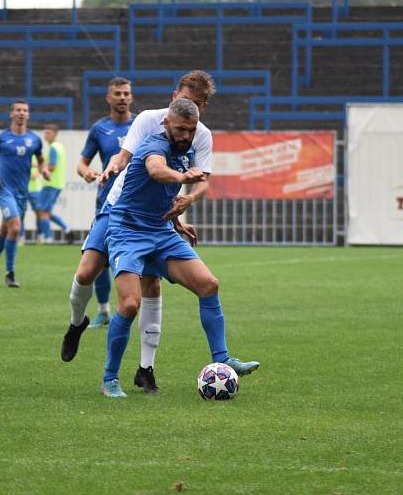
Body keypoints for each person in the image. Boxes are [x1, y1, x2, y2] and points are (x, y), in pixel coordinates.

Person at [61, 70, 216, 394]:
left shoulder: (196, 131)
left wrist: (175, 217)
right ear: (176, 95)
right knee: (87, 272)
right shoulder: (150, 121)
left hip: (154, 219)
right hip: (116, 208)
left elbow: (194, 181)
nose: (193, 106)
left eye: (199, 103)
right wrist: (110, 168)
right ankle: (77, 323)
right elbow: (132, 159)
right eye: (188, 98)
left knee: (152, 285)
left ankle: (145, 369)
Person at [98, 98, 260, 398]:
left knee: (208, 284)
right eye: (180, 129)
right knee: (130, 304)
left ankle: (222, 358)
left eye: (190, 129)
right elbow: (157, 171)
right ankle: (110, 379)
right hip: (127, 231)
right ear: (166, 124)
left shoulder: (189, 151)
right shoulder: (153, 145)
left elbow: (162, 195)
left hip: (161, 230)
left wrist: (177, 222)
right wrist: (183, 177)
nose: (185, 135)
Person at [76, 77, 135, 328]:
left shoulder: (141, 125)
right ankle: (103, 311)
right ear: (108, 98)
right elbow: (81, 163)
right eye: (118, 94)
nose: (122, 97)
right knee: (99, 259)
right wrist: (86, 172)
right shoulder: (99, 129)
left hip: (137, 204)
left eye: (126, 93)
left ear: (131, 97)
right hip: (107, 204)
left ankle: (138, 307)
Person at [0, 100, 50, 287]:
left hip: (21, 191)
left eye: (25, 110)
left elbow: (41, 158)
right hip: (3, 189)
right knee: (16, 228)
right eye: (18, 110)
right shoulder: (0, 138)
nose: (21, 113)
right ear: (11, 113)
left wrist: (44, 170)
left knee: (6, 230)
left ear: (28, 115)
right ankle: (10, 273)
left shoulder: (34, 139)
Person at [36, 123, 72, 244]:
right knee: (47, 211)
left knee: (42, 211)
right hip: (57, 183)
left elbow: (52, 166)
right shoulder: (59, 146)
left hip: (50, 183)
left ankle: (48, 237)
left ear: (55, 134)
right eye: (45, 132)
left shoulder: (53, 148)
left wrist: (42, 170)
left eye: (48, 132)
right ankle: (66, 228)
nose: (45, 135)